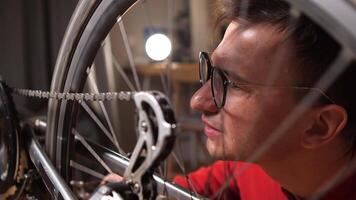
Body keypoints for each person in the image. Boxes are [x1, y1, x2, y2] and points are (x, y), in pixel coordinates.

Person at [103, 0, 356, 199]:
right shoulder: (254, 167)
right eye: (213, 72)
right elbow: (185, 191)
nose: (198, 101)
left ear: (319, 125)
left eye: (234, 84)